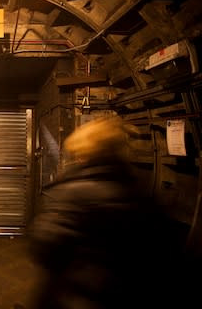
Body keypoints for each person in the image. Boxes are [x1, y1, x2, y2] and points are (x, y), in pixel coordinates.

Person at [27, 116, 187, 309]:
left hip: (77, 297)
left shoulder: (74, 192)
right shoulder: (138, 192)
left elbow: (46, 246)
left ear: (84, 153)